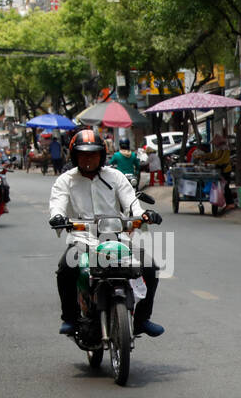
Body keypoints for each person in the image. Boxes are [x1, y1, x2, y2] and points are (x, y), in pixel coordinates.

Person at [48, 128, 165, 338]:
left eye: (93, 154)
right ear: (75, 156)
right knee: (66, 269)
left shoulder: (115, 176)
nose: (88, 158)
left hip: (116, 238)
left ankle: (141, 320)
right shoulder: (65, 180)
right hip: (82, 239)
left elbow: (131, 202)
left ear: (101, 155)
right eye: (83, 154)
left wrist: (143, 214)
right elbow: (58, 203)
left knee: (150, 267)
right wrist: (58, 217)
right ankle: (70, 318)